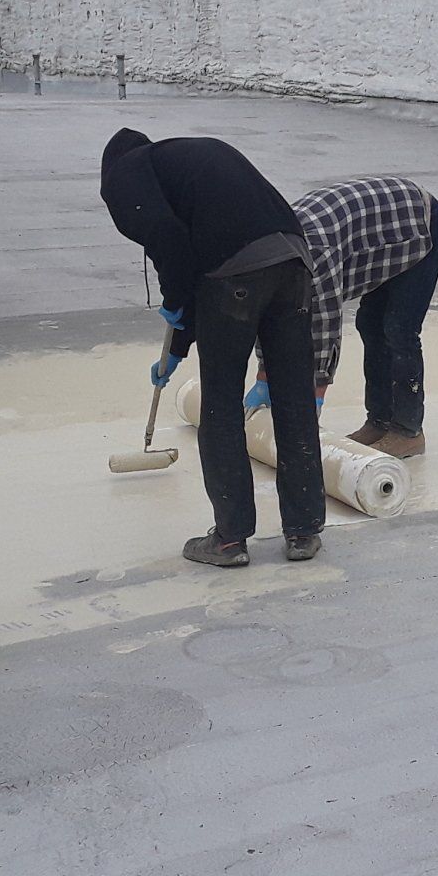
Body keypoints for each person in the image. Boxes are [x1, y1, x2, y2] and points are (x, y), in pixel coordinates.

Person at [99, 129, 327, 565]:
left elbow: (170, 245)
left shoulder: (124, 175)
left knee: (220, 407)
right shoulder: (188, 160)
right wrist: (179, 345)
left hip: (235, 272)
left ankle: (229, 538)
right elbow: (193, 251)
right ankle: (303, 531)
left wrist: (173, 306)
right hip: (293, 264)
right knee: (294, 401)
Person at [245, 177, 438, 458]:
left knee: (399, 329)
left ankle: (407, 431)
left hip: (419, 225)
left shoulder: (312, 255)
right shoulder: (265, 259)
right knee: (370, 324)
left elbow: (325, 327)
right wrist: (263, 376)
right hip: (381, 232)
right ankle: (379, 421)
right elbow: (268, 318)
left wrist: (315, 398)